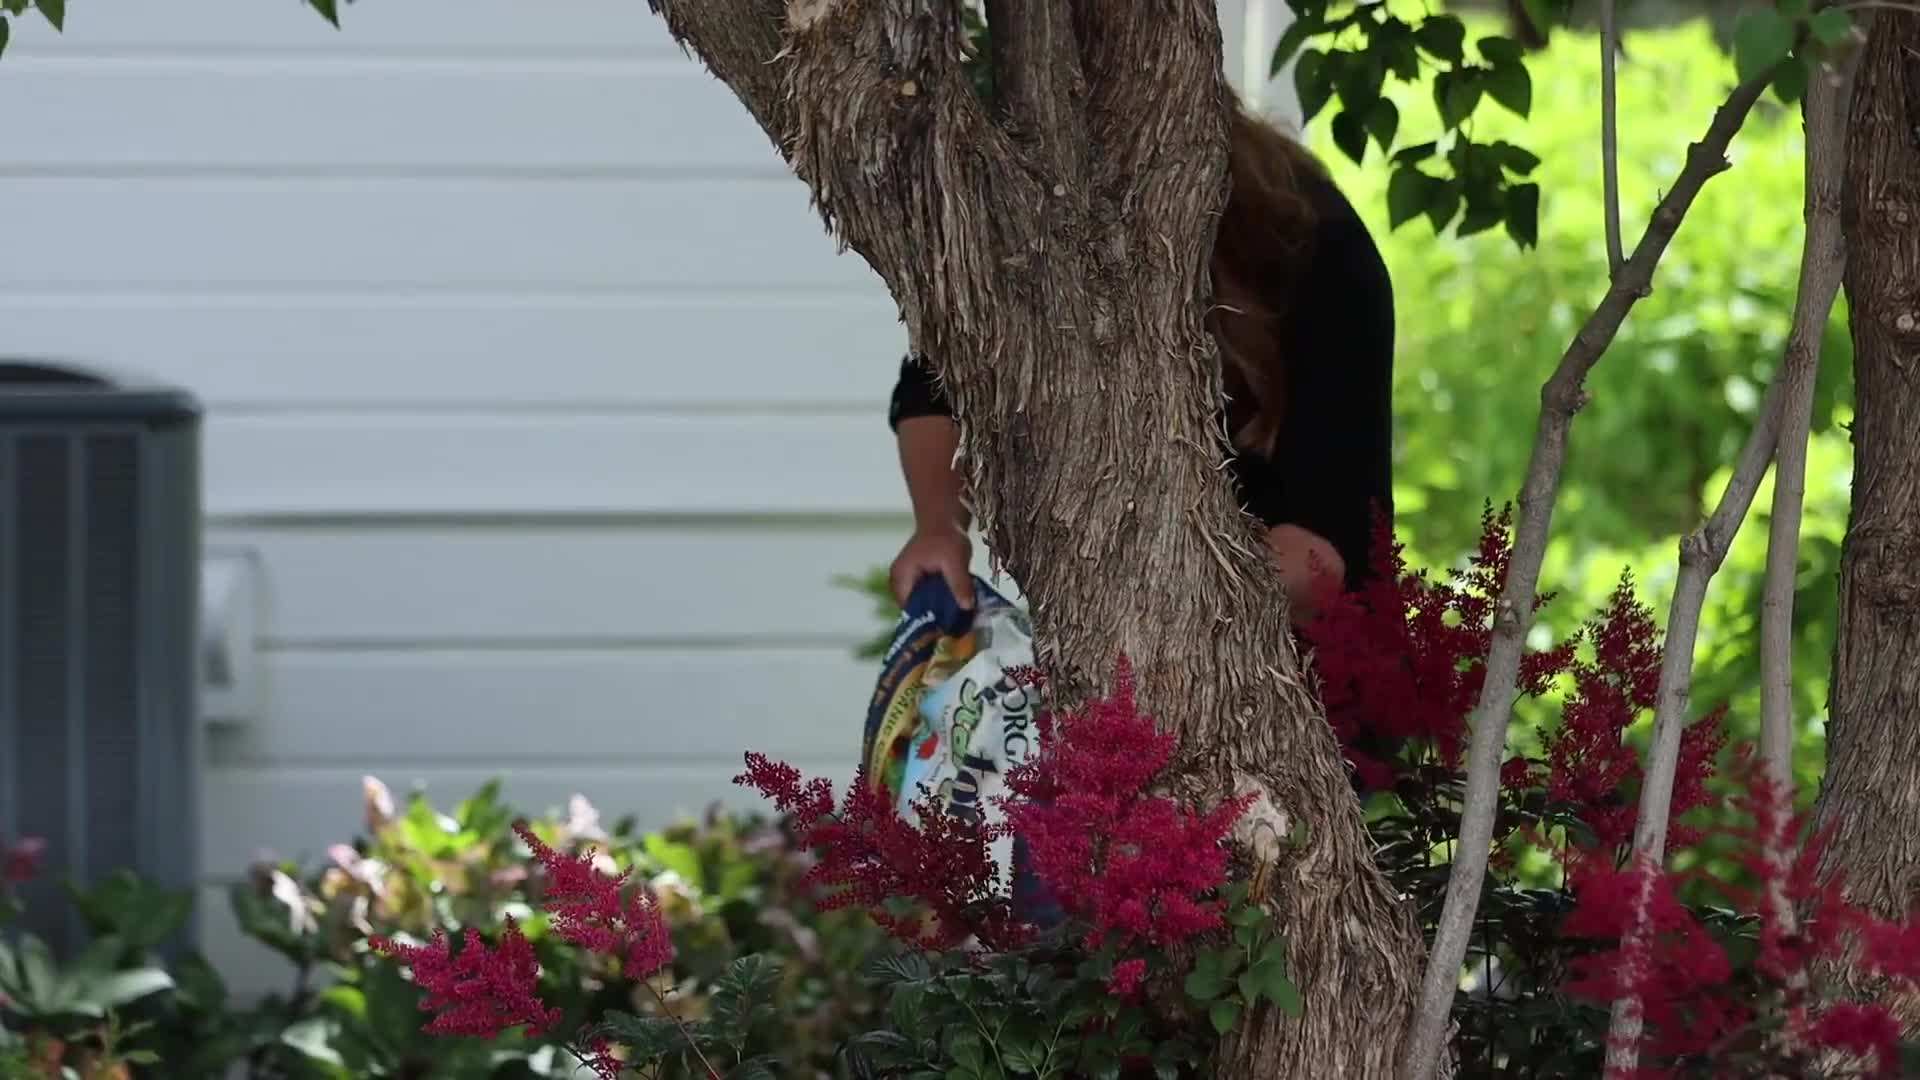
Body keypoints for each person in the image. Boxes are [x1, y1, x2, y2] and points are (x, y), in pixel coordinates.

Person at [886, 102, 1395, 623]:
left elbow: (1320, 559)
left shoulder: (1312, 241)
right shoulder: (1032, 214)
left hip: (1299, 661)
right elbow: (939, 383)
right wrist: (938, 528)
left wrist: (1145, 599)